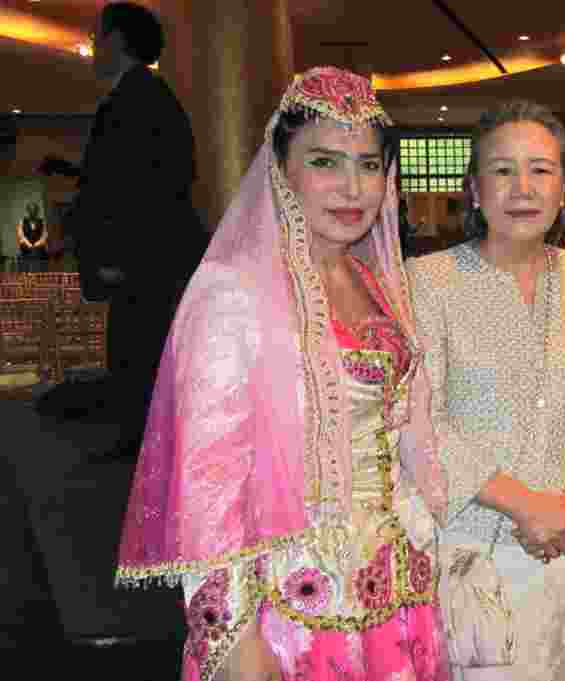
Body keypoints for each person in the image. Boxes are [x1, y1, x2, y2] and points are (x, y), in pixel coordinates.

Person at [115, 68, 450, 681]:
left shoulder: (378, 284)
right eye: (325, 161)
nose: (353, 187)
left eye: (369, 165)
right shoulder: (234, 293)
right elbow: (209, 485)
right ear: (281, 168)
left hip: (393, 590)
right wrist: (237, 637)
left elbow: (400, 437)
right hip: (287, 606)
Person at [407, 100, 565, 681]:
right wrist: (525, 504)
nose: (523, 187)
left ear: (563, 188)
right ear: (474, 190)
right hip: (469, 548)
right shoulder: (429, 281)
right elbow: (421, 422)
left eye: (541, 169)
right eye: (503, 170)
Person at [62, 2, 208, 459]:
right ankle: (143, 450)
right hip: (148, 259)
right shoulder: (145, 96)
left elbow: (145, 186)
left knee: (138, 355)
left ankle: (146, 456)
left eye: (97, 36)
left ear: (119, 41)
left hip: (142, 261)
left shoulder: (138, 100)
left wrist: (116, 257)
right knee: (137, 353)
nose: (92, 46)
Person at [16, 203, 49, 272]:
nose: (32, 212)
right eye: (30, 210)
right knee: (26, 270)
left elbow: (44, 235)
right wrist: (28, 244)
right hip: (26, 251)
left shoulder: (42, 221)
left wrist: (37, 244)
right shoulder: (22, 221)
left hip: (39, 251)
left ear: (37, 211)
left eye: (34, 210)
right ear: (28, 211)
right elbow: (20, 235)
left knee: (40, 270)